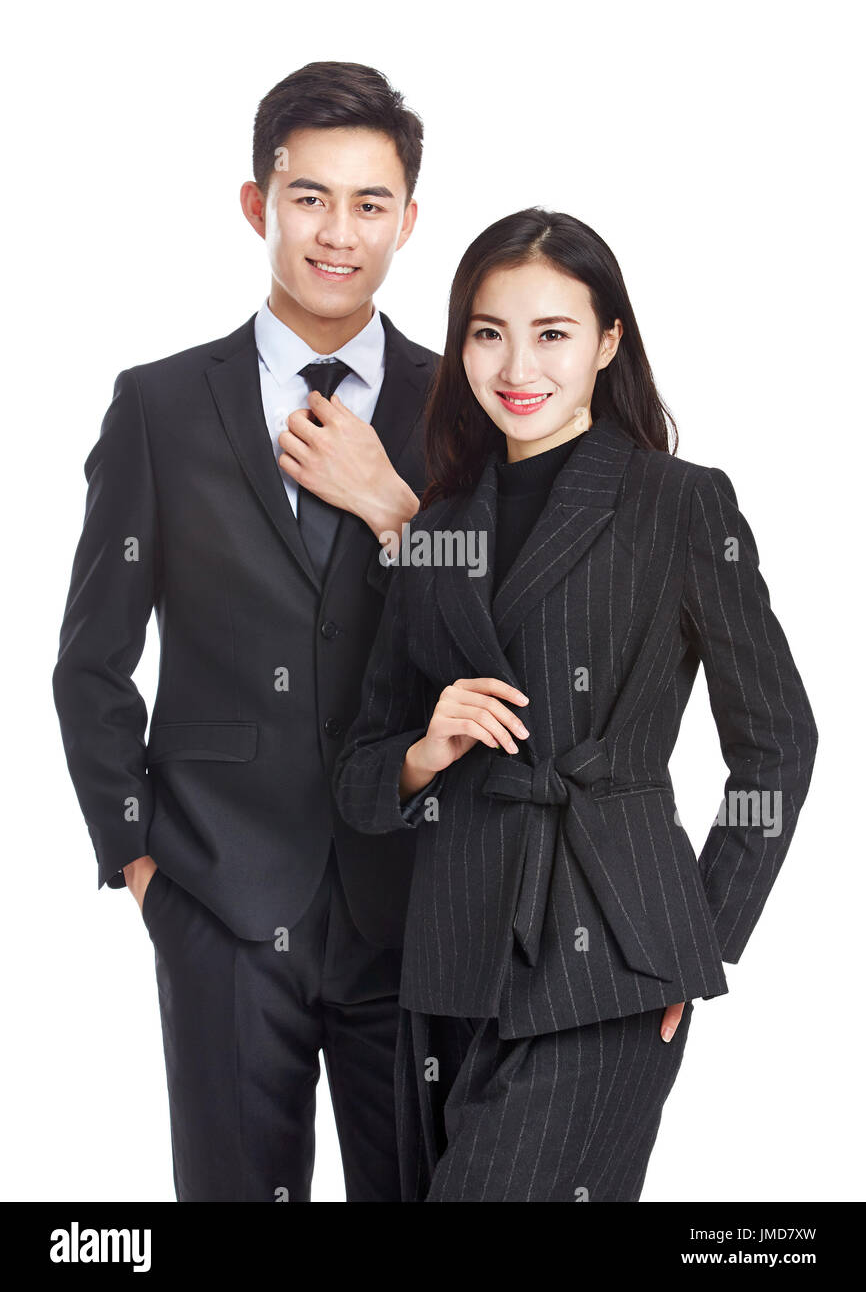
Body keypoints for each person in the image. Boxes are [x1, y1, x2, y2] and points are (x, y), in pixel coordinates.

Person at [333, 207, 819, 1202]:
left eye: (552, 333)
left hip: (609, 954)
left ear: (606, 343)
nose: (517, 363)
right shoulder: (437, 525)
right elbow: (359, 767)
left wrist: (693, 937)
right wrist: (423, 750)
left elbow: (776, 741)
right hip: (446, 954)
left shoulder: (677, 503)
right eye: (486, 330)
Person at [52, 61, 440, 1201]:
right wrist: (137, 861)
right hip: (216, 895)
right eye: (309, 196)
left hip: (411, 894)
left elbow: (497, 627)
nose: (338, 232)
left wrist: (396, 511)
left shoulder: (457, 407)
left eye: (370, 204)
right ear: (255, 203)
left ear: (408, 221)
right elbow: (91, 659)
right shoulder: (161, 406)